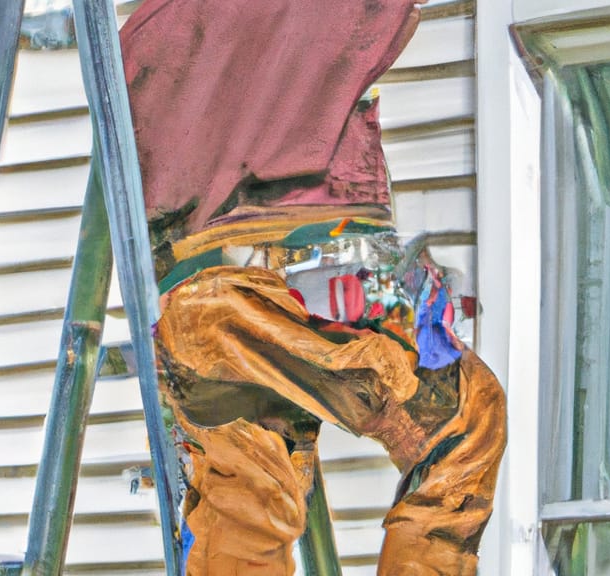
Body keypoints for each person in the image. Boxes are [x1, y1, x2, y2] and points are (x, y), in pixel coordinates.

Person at [119, 1, 507, 574]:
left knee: (247, 500)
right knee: (466, 423)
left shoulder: (144, 37)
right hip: (304, 286)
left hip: (197, 315)